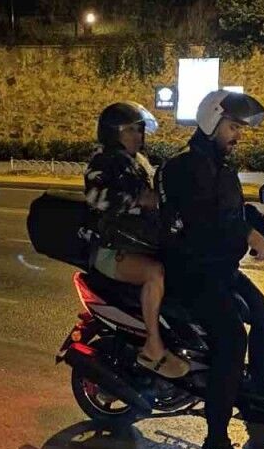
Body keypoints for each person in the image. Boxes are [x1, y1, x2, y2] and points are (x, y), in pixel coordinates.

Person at [158, 90, 264, 449]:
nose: (237, 136)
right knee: (232, 341)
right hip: (193, 273)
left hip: (221, 269)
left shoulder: (220, 165)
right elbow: (204, 219)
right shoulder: (186, 167)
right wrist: (248, 233)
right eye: (232, 127)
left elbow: (232, 211)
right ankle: (215, 446)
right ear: (211, 122)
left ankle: (253, 398)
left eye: (240, 129)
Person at [80, 101, 188, 379]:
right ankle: (153, 346)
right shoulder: (104, 161)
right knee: (155, 273)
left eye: (139, 130)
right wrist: (138, 199)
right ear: (113, 133)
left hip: (136, 242)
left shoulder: (138, 161)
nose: (138, 136)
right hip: (111, 248)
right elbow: (95, 197)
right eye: (130, 130)